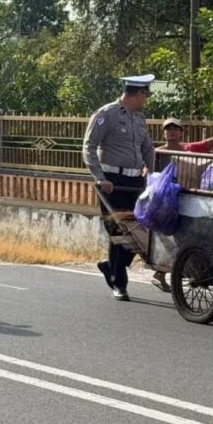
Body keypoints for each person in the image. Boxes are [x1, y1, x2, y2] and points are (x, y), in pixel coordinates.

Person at [150, 117, 213, 292]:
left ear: (181, 133)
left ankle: (168, 271)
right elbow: (147, 170)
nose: (172, 132)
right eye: (168, 129)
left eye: (175, 129)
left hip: (190, 199)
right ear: (163, 133)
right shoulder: (157, 153)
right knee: (169, 235)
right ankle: (161, 270)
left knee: (187, 235)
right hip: (167, 201)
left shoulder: (189, 149)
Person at [83, 74, 156, 301]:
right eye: (145, 95)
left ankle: (111, 265)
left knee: (137, 231)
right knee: (118, 231)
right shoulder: (107, 114)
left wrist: (151, 172)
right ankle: (119, 284)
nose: (146, 100)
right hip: (112, 182)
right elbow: (89, 146)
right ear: (138, 94)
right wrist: (99, 177)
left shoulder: (139, 118)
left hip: (135, 183)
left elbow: (147, 147)